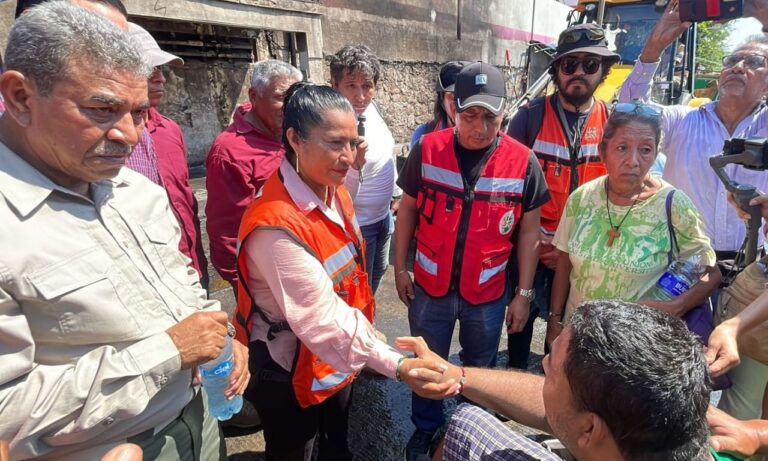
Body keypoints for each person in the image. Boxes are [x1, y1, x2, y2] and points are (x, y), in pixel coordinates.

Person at [0, 3, 249, 459]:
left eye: (137, 112)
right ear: (20, 97)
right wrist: (167, 353)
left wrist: (224, 339)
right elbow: (6, 410)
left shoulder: (135, 191)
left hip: (198, 415)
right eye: (101, 109)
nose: (129, 136)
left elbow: (184, 288)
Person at [233, 82, 449, 460]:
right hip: (290, 366)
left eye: (353, 142)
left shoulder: (332, 188)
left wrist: (364, 333)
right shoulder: (275, 226)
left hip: (335, 358)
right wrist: (396, 365)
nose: (348, 156)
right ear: (295, 140)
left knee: (337, 443)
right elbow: (322, 321)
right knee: (296, 448)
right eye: (335, 143)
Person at [618, 0, 768, 420]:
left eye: (753, 61)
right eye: (732, 60)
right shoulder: (683, 121)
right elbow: (626, 111)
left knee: (746, 389)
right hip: (687, 270)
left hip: (755, 278)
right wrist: (651, 51)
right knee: (668, 376)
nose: (738, 67)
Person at [394, 61, 549, 460]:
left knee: (479, 368)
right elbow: (407, 210)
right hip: (430, 288)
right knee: (428, 362)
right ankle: (425, 430)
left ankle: (468, 428)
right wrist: (399, 267)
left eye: (490, 117)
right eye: (470, 115)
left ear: (504, 113)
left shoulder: (523, 162)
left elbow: (530, 232)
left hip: (488, 292)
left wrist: (524, 294)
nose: (480, 127)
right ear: (452, 106)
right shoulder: (426, 150)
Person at [400, 300, 718, 461]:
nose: (544, 367)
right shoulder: (672, 428)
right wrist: (460, 376)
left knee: (466, 423)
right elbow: (564, 408)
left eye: (550, 373)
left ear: (590, 430)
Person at [547, 102, 720, 346]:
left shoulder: (674, 205)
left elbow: (710, 272)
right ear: (603, 151)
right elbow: (564, 262)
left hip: (637, 346)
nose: (633, 161)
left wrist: (678, 305)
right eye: (622, 148)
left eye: (646, 150)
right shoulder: (582, 198)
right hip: (579, 338)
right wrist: (555, 320)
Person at [504, 23, 620, 369]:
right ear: (556, 71)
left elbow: (615, 193)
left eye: (590, 64)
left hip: (587, 250)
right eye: (569, 65)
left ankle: (562, 388)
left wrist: (574, 246)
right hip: (535, 244)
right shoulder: (529, 118)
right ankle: (515, 376)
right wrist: (539, 239)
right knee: (520, 321)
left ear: (603, 71)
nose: (579, 73)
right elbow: (509, 189)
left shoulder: (612, 123)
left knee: (577, 329)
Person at [206, 59, 302, 291]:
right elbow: (225, 233)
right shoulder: (230, 152)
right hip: (261, 278)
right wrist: (246, 287)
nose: (289, 106)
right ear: (254, 95)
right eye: (280, 97)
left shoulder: (293, 131)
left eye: (293, 98)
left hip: (298, 259)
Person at [127, 23, 209, 289]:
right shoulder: (111, 141)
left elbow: (183, 198)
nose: (161, 78)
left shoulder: (169, 129)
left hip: (191, 265)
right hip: (150, 278)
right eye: (149, 71)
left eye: (160, 70)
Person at [329, 44, 401, 294]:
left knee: (378, 274)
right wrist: (354, 166)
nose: (360, 95)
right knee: (359, 289)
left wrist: (396, 193)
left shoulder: (373, 110)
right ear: (334, 84)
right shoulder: (330, 124)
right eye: (351, 85)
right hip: (357, 227)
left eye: (367, 86)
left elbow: (387, 153)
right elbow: (333, 191)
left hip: (383, 219)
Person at [409, 61, 469, 150]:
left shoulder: (486, 136)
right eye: (453, 96)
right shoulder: (423, 134)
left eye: (467, 96)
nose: (460, 104)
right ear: (442, 99)